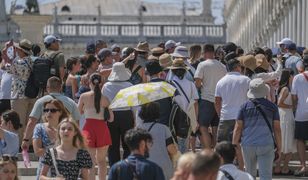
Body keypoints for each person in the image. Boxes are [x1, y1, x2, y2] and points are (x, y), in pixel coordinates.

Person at [233, 78, 282, 179]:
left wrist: (234, 144)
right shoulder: (272, 107)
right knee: (266, 175)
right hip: (266, 144)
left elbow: (238, 127)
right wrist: (279, 147)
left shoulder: (244, 107)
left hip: (248, 144)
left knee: (250, 175)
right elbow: (277, 129)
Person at [22, 76, 81, 150]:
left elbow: (32, 122)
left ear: (47, 88)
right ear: (60, 87)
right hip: (65, 137)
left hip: (46, 139)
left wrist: (26, 139)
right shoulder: (71, 102)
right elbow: (76, 122)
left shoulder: (40, 102)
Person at [78, 73, 113, 180]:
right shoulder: (106, 99)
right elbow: (111, 119)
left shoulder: (84, 96)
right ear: (101, 84)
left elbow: (78, 113)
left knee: (91, 161)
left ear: (89, 83)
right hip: (102, 129)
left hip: (88, 129)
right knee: (101, 161)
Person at [2, 39, 36, 144]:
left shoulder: (17, 61)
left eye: (17, 48)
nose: (16, 50)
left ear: (21, 50)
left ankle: (21, 144)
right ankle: (29, 144)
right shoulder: (33, 60)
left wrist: (5, 55)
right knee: (30, 121)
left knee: (19, 121)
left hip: (19, 96)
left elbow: (6, 68)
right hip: (33, 94)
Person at [102, 62, 134, 166]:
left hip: (112, 116)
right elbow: (134, 104)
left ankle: (114, 168)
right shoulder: (129, 85)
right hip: (127, 115)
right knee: (128, 144)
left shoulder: (106, 86)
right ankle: (127, 166)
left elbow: (103, 103)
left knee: (113, 145)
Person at [195, 44, 227, 149]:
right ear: (214, 53)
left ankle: (208, 152)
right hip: (219, 100)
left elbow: (198, 83)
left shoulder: (202, 65)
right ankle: (216, 153)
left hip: (206, 100)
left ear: (204, 53)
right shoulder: (222, 66)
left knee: (203, 127)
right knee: (215, 128)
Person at [137, 102, 178, 179]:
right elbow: (171, 149)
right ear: (157, 113)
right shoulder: (164, 128)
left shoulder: (137, 129)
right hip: (163, 168)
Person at [33, 99, 70, 180]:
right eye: (46, 110)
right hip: (44, 171)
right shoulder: (39, 127)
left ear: (60, 112)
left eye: (53, 110)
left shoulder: (66, 129)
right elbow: (37, 151)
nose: (49, 112)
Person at [215, 59, 250, 143]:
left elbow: (217, 101)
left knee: (224, 145)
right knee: (242, 144)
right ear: (237, 67)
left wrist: (220, 114)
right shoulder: (246, 80)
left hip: (226, 116)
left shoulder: (220, 82)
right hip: (243, 116)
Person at [169, 59, 199, 153]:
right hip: (187, 117)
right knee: (185, 144)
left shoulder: (169, 84)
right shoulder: (191, 84)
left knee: (174, 144)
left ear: (172, 71)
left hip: (172, 118)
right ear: (185, 71)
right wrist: (195, 120)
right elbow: (195, 103)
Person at [273, 69, 296, 175]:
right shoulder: (286, 89)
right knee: (287, 143)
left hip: (284, 116)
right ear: (289, 77)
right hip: (286, 116)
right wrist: (291, 106)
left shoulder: (283, 88)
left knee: (283, 143)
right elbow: (279, 103)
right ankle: (284, 168)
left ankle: (278, 167)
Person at [291, 56, 308, 176]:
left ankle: (303, 166)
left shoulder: (297, 78)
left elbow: (294, 97)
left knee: (301, 139)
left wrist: (294, 108)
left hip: (301, 113)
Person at [145, 61, 172, 126]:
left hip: (151, 123)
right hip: (166, 121)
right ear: (159, 71)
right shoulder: (167, 85)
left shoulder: (145, 88)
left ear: (148, 73)